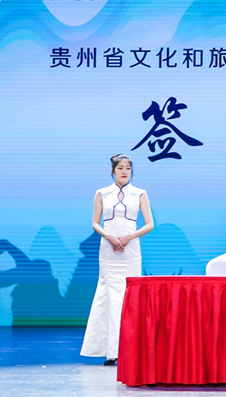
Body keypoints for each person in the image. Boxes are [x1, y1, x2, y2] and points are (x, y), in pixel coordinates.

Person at [81, 154, 154, 365]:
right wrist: (109, 237)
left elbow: (149, 224)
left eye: (128, 168)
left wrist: (129, 237)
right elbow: (95, 223)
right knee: (109, 296)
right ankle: (110, 350)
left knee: (129, 295)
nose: (124, 171)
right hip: (108, 250)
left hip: (130, 251)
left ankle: (131, 348)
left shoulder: (140, 193)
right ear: (113, 170)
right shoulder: (102, 193)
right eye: (120, 168)